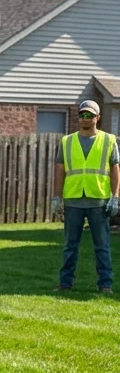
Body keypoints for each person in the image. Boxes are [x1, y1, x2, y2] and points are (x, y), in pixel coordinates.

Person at [51, 98, 120, 294]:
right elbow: (60, 169)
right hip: (73, 200)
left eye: (89, 115)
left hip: (99, 200)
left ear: (97, 117)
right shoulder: (67, 141)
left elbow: (115, 169)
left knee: (102, 246)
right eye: (82, 114)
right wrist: (56, 198)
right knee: (70, 246)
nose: (85, 118)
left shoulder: (108, 140)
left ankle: (105, 285)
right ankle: (65, 284)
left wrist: (115, 197)